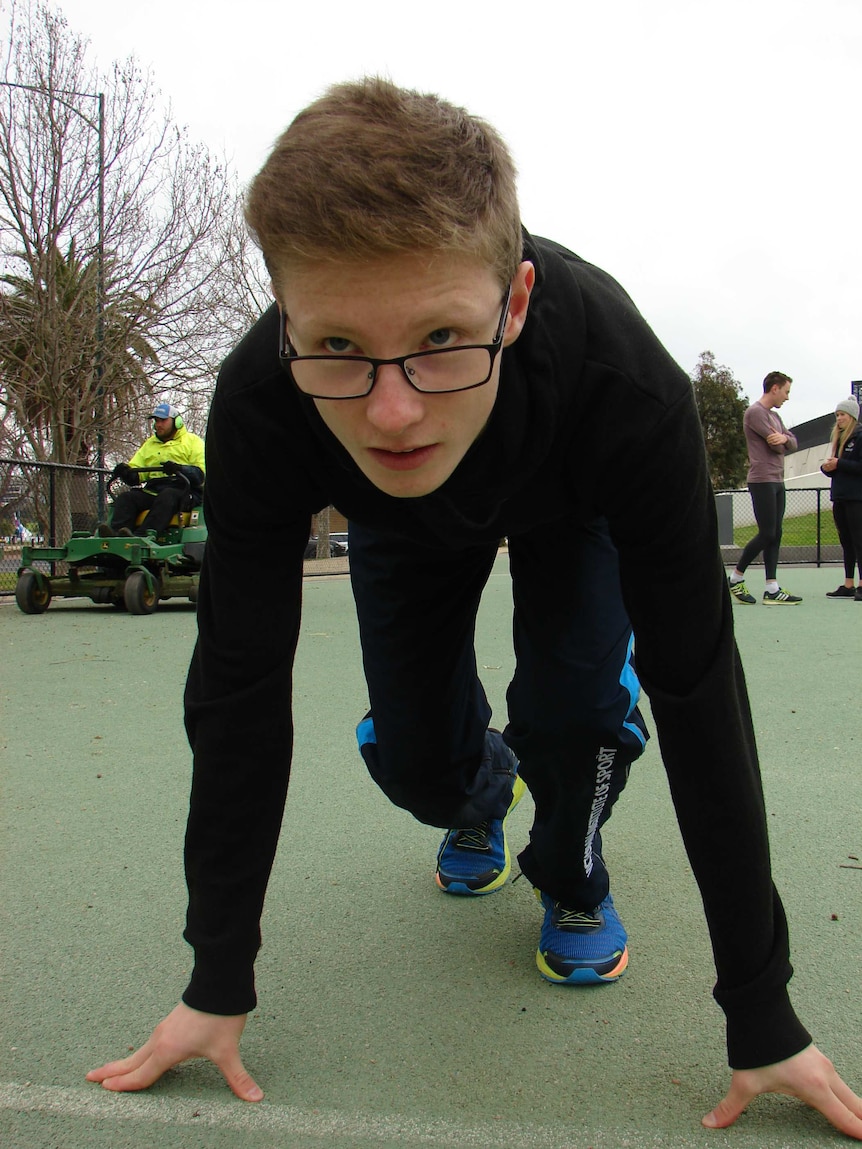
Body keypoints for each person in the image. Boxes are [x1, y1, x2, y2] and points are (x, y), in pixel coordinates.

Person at [87, 79, 862, 1139]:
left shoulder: (621, 381)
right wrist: (218, 976)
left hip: (571, 506)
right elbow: (238, 683)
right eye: (340, 348)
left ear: (518, 301)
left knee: (578, 713)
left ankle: (570, 863)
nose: (393, 409)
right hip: (398, 526)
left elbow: (696, 680)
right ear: (282, 320)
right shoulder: (265, 404)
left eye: (444, 335)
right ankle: (473, 792)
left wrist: (761, 1011)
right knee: (417, 767)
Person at [728, 372, 802, 605]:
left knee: (776, 533)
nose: (787, 397)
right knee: (767, 532)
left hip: (777, 480)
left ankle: (772, 588)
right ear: (774, 388)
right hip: (762, 480)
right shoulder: (755, 413)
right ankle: (735, 577)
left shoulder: (775, 417)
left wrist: (784, 438)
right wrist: (783, 440)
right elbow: (778, 447)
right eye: (786, 391)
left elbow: (792, 442)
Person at [99, 403, 205, 537]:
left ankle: (143, 536)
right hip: (154, 491)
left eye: (163, 420)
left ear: (177, 422)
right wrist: (125, 472)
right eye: (156, 421)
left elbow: (200, 475)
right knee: (127, 498)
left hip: (183, 491)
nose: (158, 424)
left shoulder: (193, 442)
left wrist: (179, 469)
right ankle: (117, 535)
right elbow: (136, 475)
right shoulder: (150, 444)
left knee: (168, 495)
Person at [821, 395, 862, 600]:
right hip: (839, 496)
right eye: (837, 415)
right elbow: (837, 468)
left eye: (842, 414)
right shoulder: (838, 439)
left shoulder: (860, 437)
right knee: (846, 541)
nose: (838, 419)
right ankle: (848, 584)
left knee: (859, 540)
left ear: (852, 416)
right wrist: (827, 468)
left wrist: (839, 464)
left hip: (857, 498)